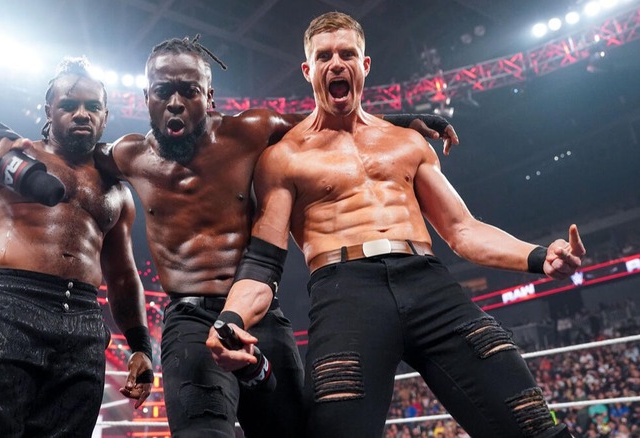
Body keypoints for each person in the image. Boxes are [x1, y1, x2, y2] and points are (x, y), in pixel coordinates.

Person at [0, 36, 458, 437]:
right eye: (163, 91)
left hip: (259, 311)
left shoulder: (250, 132)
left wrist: (401, 123)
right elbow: (63, 154)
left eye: (189, 90)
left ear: (209, 96)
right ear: (146, 99)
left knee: (291, 431)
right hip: (186, 318)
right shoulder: (125, 157)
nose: (176, 102)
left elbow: (319, 127)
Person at [207, 12, 584, 438]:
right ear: (307, 70)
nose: (337, 63)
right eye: (324, 55)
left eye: (347, 53)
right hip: (344, 293)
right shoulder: (285, 157)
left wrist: (539, 256)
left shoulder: (408, 142)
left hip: (429, 286)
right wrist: (230, 317)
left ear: (364, 66)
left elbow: (462, 230)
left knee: (534, 425)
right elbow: (262, 265)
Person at [0, 58, 153, 437]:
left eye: (93, 107)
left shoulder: (117, 190)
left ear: (105, 116)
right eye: (69, 105)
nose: (81, 114)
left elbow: (122, 275)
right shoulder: (13, 155)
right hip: (10, 305)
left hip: (84, 321)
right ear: (48, 110)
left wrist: (141, 347)